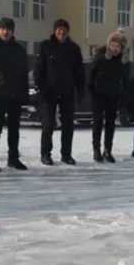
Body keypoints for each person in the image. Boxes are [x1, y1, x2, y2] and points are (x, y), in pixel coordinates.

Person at [35, 19, 85, 165]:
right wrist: (41, 88)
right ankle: (45, 154)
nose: (61, 32)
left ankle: (66, 154)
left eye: (64, 29)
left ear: (67, 31)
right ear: (54, 30)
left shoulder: (74, 48)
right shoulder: (46, 46)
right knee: (48, 124)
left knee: (68, 124)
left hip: (67, 92)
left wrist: (80, 91)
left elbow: (79, 72)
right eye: (59, 29)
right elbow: (39, 69)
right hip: (48, 92)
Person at [0, 17, 29, 173]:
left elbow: (23, 74)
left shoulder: (19, 49)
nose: (5, 31)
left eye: (8, 29)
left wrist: (24, 94)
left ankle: (13, 159)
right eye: (2, 28)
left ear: (12, 31)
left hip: (15, 96)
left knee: (14, 130)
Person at [88, 29, 127, 163]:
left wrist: (120, 94)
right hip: (99, 95)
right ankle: (96, 150)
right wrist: (92, 90)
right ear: (108, 45)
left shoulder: (120, 62)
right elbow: (91, 75)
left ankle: (107, 150)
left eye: (118, 47)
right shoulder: (100, 57)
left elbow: (122, 80)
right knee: (98, 122)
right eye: (113, 45)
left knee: (110, 124)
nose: (115, 49)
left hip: (113, 95)